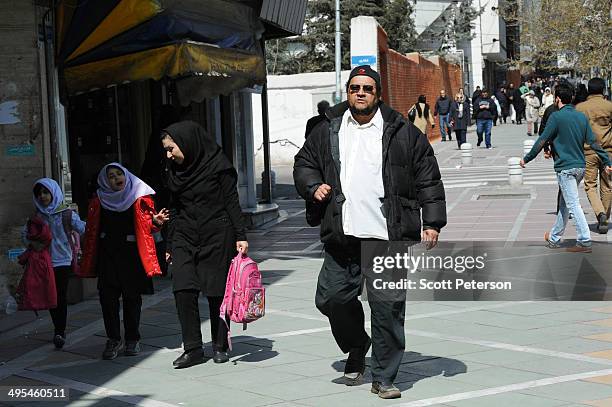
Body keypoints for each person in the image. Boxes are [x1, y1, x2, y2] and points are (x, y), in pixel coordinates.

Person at [293, 65, 447, 399]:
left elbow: (428, 177)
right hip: (342, 235)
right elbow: (304, 163)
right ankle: (357, 344)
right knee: (332, 298)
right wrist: (313, 185)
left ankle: (384, 377)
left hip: (386, 237)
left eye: (367, 88)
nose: (360, 93)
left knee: (387, 308)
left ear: (378, 94)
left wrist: (432, 223)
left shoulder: (402, 132)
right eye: (354, 88)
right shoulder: (328, 129)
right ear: (347, 92)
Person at [161, 121, 248, 368]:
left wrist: (240, 235)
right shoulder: (173, 170)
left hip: (217, 233)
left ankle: (219, 345)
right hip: (184, 235)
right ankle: (192, 349)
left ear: (187, 143)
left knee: (216, 292)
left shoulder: (218, 166)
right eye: (166, 150)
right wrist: (169, 243)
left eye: (171, 148)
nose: (168, 155)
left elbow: (232, 202)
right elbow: (175, 208)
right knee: (183, 289)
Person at [81, 163, 168, 360]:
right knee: (108, 299)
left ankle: (132, 338)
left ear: (126, 175)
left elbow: (148, 226)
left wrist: (156, 223)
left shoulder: (138, 197)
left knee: (132, 299)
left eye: (119, 173)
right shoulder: (99, 200)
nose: (116, 178)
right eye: (111, 176)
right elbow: (92, 230)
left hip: (131, 256)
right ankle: (113, 339)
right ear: (105, 181)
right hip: (108, 256)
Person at [521, 82, 612, 252]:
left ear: (557, 99)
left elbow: (542, 139)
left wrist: (527, 159)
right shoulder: (580, 117)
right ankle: (554, 237)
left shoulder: (556, 117)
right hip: (580, 167)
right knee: (564, 204)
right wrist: (607, 162)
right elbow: (593, 142)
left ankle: (584, 240)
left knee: (573, 204)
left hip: (565, 168)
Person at [24, 179, 86, 349]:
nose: (43, 196)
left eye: (46, 192)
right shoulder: (37, 216)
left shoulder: (66, 213)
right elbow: (26, 235)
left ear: (54, 192)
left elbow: (83, 228)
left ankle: (60, 331)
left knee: (60, 295)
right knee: (52, 296)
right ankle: (58, 329)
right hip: (44, 262)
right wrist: (32, 243)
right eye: (40, 194)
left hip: (63, 261)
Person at [576, 77, 612, 233]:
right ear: (603, 89)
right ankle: (605, 217)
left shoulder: (580, 108)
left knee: (590, 185)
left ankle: (600, 213)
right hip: (608, 150)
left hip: (589, 151)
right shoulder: (609, 106)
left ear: (589, 90)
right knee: (608, 185)